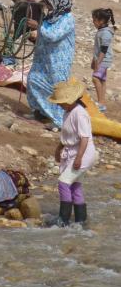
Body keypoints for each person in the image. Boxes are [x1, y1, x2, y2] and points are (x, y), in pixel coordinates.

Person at [49, 80, 96, 226]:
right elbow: (68, 136)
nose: (58, 105)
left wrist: (79, 158)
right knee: (74, 185)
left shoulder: (79, 114)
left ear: (69, 101)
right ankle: (80, 221)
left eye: (61, 102)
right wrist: (58, 148)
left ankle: (63, 219)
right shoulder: (68, 112)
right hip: (73, 152)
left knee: (63, 182)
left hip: (84, 153)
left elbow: (85, 138)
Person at [26, 0, 75, 129]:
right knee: (33, 80)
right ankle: (39, 112)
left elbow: (53, 35)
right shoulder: (51, 17)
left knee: (57, 89)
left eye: (49, 4)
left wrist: (38, 27)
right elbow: (44, 34)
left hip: (58, 60)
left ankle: (58, 120)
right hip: (43, 59)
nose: (48, 7)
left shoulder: (68, 18)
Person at [91, 8, 117, 113]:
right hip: (102, 59)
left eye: (94, 20)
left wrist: (98, 62)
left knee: (95, 78)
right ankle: (102, 103)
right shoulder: (102, 31)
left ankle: (101, 103)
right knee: (101, 79)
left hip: (104, 60)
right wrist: (94, 60)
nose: (93, 22)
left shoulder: (105, 33)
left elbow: (103, 49)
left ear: (101, 21)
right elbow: (98, 48)